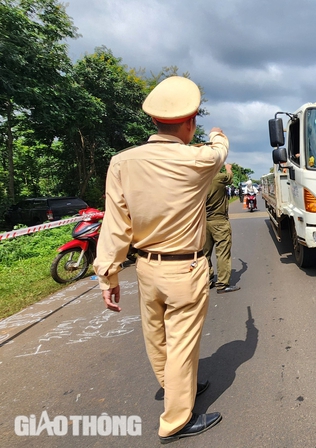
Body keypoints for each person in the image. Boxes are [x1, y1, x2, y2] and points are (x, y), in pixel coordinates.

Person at [93, 76, 227, 444]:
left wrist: (108, 275)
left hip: (146, 267)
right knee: (182, 342)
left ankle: (176, 387)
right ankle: (176, 421)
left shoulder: (121, 162)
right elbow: (220, 151)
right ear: (190, 122)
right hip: (185, 267)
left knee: (157, 337)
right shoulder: (197, 159)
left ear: (154, 120)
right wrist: (217, 134)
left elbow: (116, 223)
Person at [204, 163, 240, 294]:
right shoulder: (218, 177)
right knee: (223, 253)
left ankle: (207, 280)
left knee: (204, 254)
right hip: (219, 221)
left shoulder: (197, 179)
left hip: (202, 222)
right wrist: (228, 168)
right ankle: (222, 284)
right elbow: (229, 177)